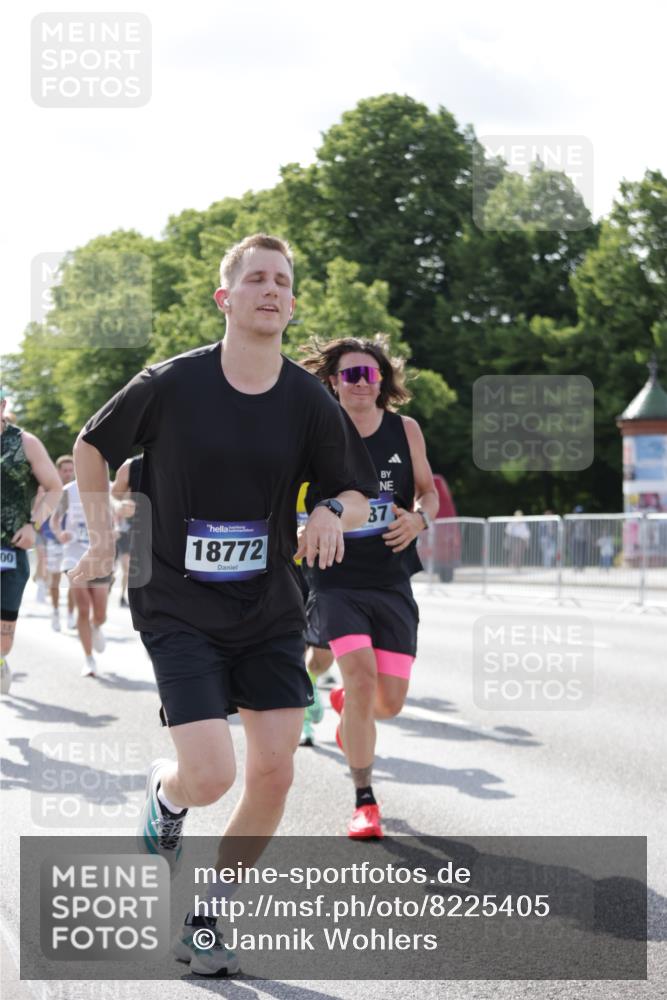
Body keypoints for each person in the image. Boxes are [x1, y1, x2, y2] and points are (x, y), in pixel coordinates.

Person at [69, 234, 376, 975]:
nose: (271, 290)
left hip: (268, 604)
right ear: (226, 298)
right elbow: (90, 444)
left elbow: (359, 493)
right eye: (256, 279)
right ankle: (168, 800)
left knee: (274, 770)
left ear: (291, 303)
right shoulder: (172, 384)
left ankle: (207, 917)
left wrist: (333, 511)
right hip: (175, 599)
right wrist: (105, 538)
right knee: (210, 776)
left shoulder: (308, 400)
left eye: (283, 282)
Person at [301, 336, 439, 839]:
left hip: (391, 579)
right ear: (333, 381)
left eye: (370, 374)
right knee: (358, 679)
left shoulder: (405, 430)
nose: (361, 383)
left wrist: (421, 519)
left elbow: (428, 492)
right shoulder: (313, 432)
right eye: (350, 374)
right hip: (334, 578)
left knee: (388, 703)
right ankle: (364, 800)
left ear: (382, 381)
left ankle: (347, 712)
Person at [1, 392, 62, 695]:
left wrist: (33, 525)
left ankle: (0, 661)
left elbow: (54, 488)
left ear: (2, 407)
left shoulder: (25, 443)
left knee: (3, 636)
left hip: (10, 549)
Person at [51, 474, 111, 676]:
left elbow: (118, 516)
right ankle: (89, 659)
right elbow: (55, 520)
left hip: (100, 556)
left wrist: (117, 528)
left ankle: (96, 626)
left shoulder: (108, 486)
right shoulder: (69, 490)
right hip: (73, 555)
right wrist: (60, 534)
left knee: (100, 612)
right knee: (83, 607)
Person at [45, 455, 77, 631]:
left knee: (74, 580)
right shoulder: (55, 487)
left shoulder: (74, 489)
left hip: (73, 543)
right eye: (65, 470)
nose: (68, 473)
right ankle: (56, 611)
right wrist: (57, 533)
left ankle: (71, 614)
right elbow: (50, 517)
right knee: (55, 579)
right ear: (58, 471)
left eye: (71, 470)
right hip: (54, 539)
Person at [111, 454, 143, 607]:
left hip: (155, 533)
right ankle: (125, 595)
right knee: (127, 567)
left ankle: (125, 594)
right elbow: (113, 498)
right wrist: (119, 506)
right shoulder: (131, 467)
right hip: (125, 530)